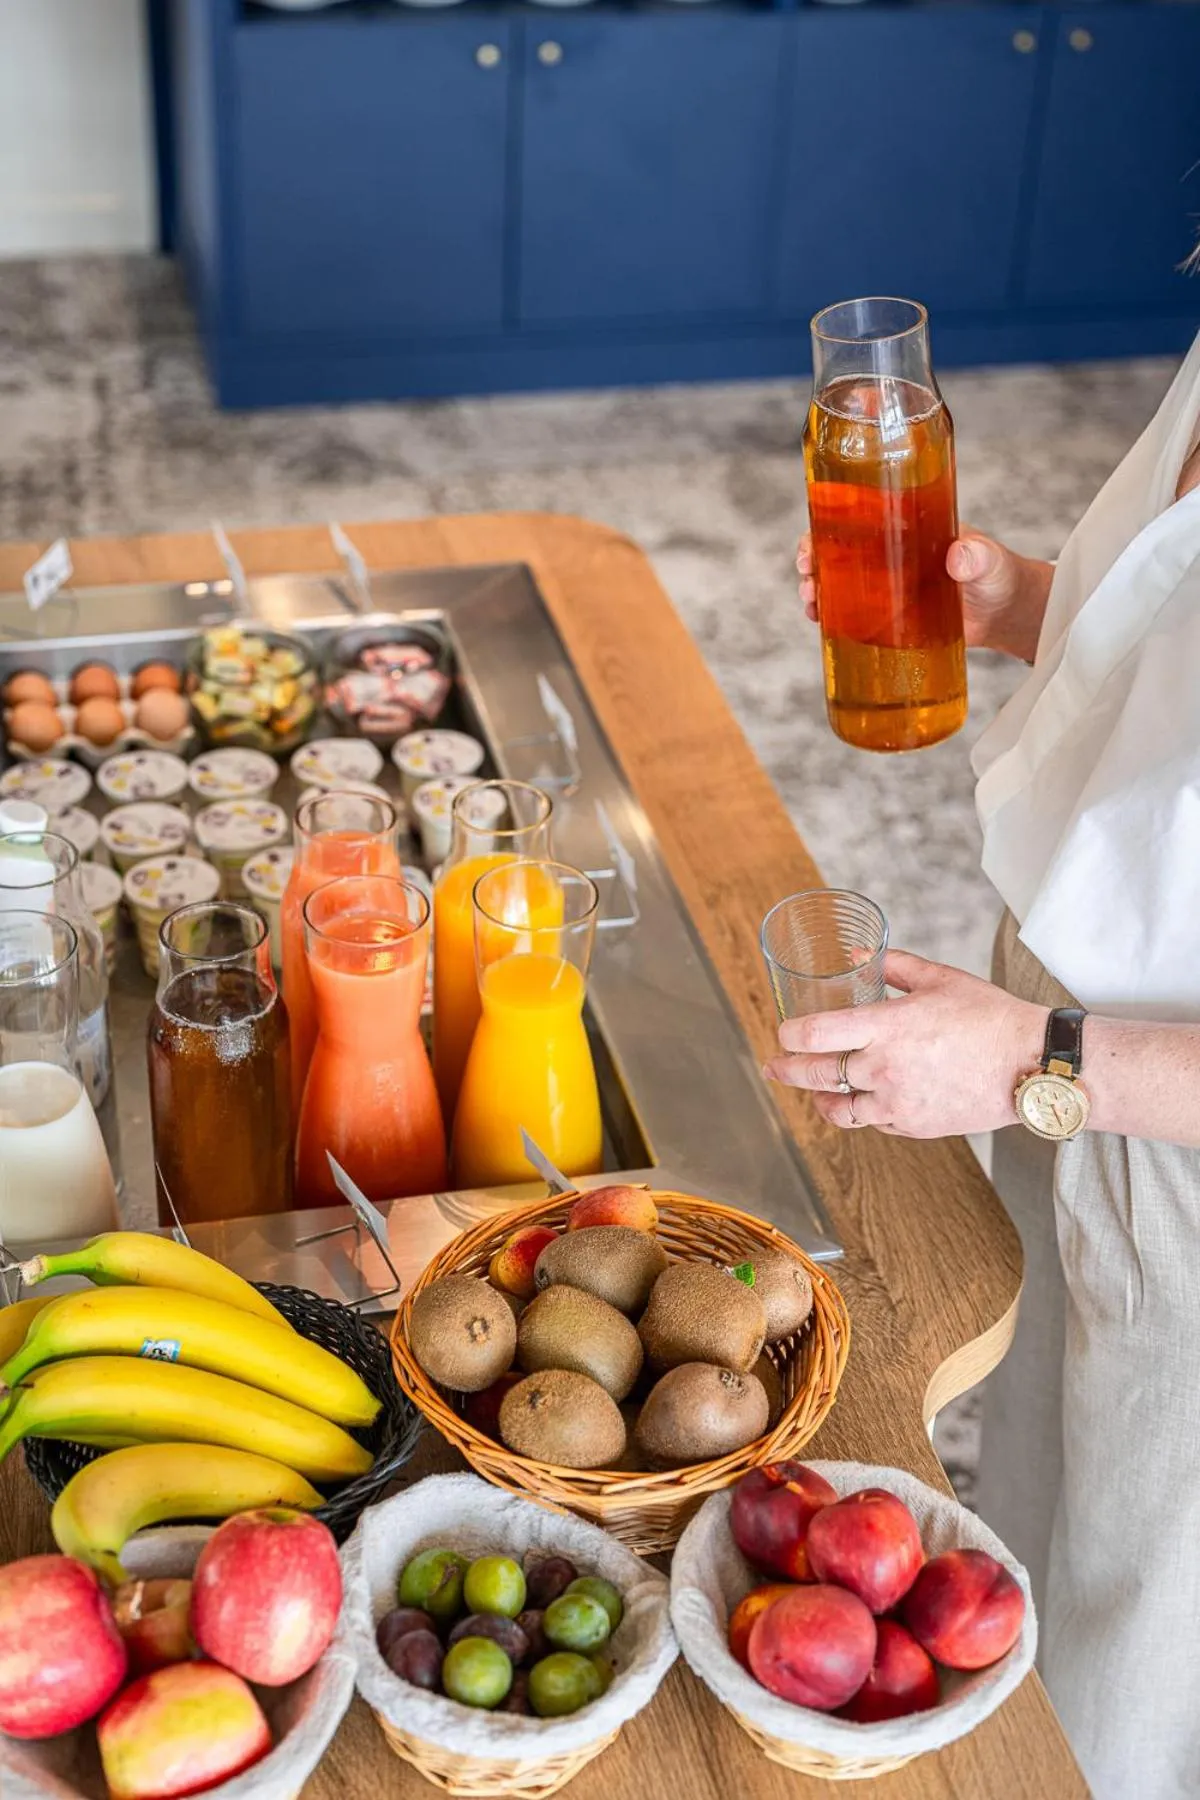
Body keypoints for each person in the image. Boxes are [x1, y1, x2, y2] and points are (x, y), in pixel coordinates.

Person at [770, 335, 1200, 1800]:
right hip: (1076, 1055)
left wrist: (1034, 1060)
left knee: (1137, 1636)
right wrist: (1020, 607)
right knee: (1036, 1506)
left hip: (1155, 1113)